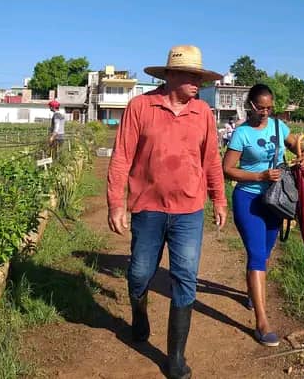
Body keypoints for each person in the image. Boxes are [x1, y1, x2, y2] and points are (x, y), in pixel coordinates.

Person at [106, 45, 227, 379]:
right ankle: (139, 311)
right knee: (140, 274)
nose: (197, 83)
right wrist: (116, 203)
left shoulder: (203, 113)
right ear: (171, 75)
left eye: (200, 77)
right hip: (148, 208)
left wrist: (218, 198)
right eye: (191, 75)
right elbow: (121, 156)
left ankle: (175, 357)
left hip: (189, 210)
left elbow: (211, 160)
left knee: (185, 277)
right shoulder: (140, 107)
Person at [222, 84, 304, 347]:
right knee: (257, 254)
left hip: (275, 200)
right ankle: (262, 322)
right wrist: (259, 176)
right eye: (260, 107)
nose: (265, 112)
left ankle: (252, 290)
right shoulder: (242, 134)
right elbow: (227, 169)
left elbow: (295, 142)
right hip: (248, 198)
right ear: (250, 106)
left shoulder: (277, 127)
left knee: (266, 252)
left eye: (269, 107)